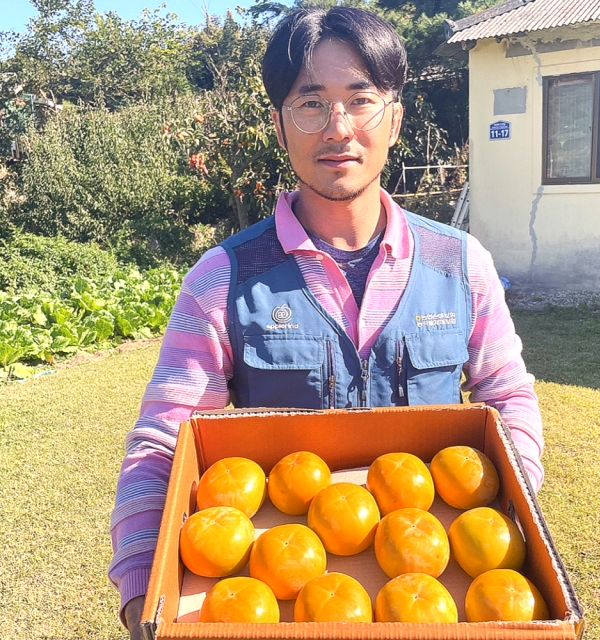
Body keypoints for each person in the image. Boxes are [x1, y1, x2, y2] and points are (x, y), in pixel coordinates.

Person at [109, 7, 544, 638]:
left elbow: (509, 400)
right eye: (310, 102)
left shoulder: (461, 264)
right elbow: (162, 442)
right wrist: (141, 595)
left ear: (394, 117)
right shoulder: (223, 276)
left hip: (429, 591)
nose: (337, 128)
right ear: (280, 125)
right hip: (287, 594)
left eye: (360, 99)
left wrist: (517, 511)